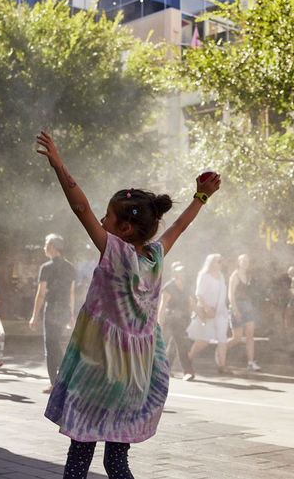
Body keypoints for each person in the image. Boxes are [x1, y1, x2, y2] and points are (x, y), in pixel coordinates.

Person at [35, 130, 219, 479]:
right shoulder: (156, 254)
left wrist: (59, 164)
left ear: (127, 228)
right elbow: (180, 224)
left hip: (100, 371)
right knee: (116, 463)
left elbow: (80, 207)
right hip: (138, 376)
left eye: (109, 218)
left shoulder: (114, 251)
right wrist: (201, 195)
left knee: (78, 459)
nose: (102, 221)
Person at [29, 233, 76, 392]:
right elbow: (71, 293)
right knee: (55, 343)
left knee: (51, 346)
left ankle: (56, 382)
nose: (44, 247)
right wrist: (71, 313)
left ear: (52, 247)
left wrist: (34, 316)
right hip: (64, 309)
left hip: (52, 309)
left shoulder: (46, 267)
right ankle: (63, 379)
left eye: (45, 244)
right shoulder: (70, 267)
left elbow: (41, 294)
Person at [186, 254, 231, 375]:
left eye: (221, 261)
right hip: (207, 312)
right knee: (204, 340)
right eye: (218, 261)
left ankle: (222, 365)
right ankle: (190, 356)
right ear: (211, 263)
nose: (221, 264)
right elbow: (199, 294)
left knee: (222, 338)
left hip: (220, 312)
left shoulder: (221, 276)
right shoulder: (204, 276)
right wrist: (207, 308)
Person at [158, 261, 196, 380]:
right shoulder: (169, 286)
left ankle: (165, 369)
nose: (182, 273)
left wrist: (199, 314)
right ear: (174, 272)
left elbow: (191, 301)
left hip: (183, 319)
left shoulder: (186, 285)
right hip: (172, 320)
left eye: (183, 271)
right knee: (181, 344)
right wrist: (159, 321)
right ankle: (188, 371)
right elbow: (163, 305)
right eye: (179, 271)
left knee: (173, 345)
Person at [227, 254, 261, 371]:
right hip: (237, 306)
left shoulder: (249, 276)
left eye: (247, 261)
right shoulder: (234, 276)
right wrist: (235, 310)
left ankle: (250, 362)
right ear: (239, 262)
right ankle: (221, 350)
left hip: (248, 307)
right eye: (243, 261)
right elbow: (230, 295)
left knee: (250, 335)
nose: (246, 263)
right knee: (237, 338)